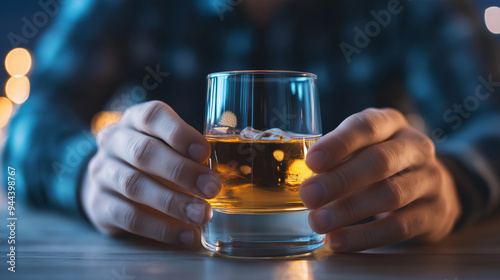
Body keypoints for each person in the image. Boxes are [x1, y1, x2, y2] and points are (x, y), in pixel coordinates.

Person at [3, 0, 500, 252]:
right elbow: (29, 122)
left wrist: (453, 182)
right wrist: (91, 172)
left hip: (346, 248)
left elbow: (492, 120)